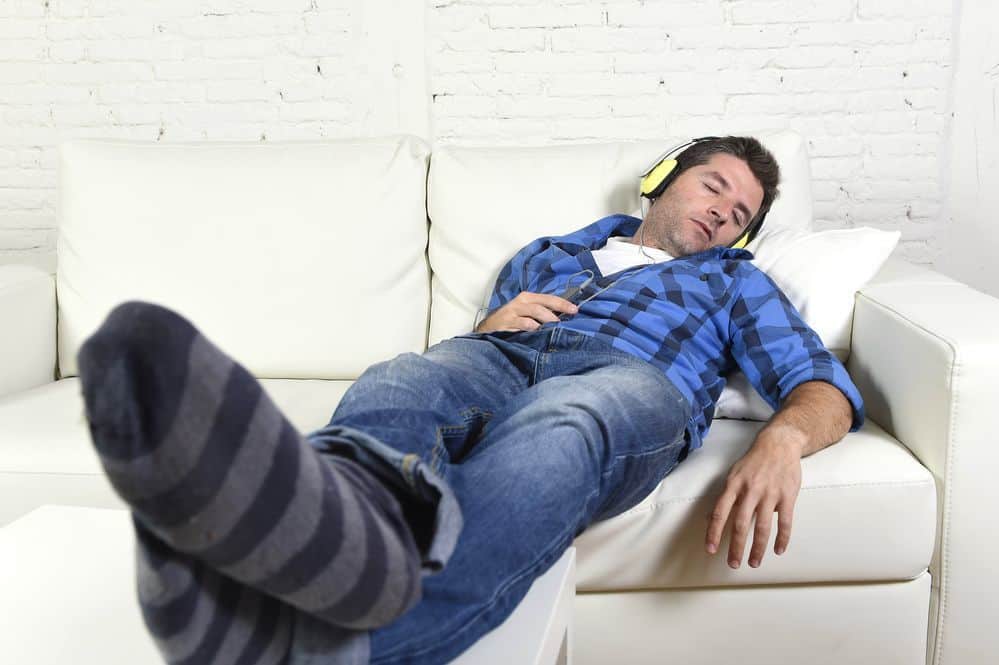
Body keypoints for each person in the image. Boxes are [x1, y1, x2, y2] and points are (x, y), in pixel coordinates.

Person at [77, 136, 863, 665]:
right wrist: (492, 323)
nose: (719, 211)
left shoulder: (732, 280)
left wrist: (781, 442)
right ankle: (317, 539)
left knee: (562, 425)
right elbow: (472, 347)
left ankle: (322, 646)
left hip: (626, 382)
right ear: (663, 177)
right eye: (711, 185)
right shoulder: (550, 253)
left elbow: (820, 384)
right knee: (402, 379)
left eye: (737, 216)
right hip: (500, 354)